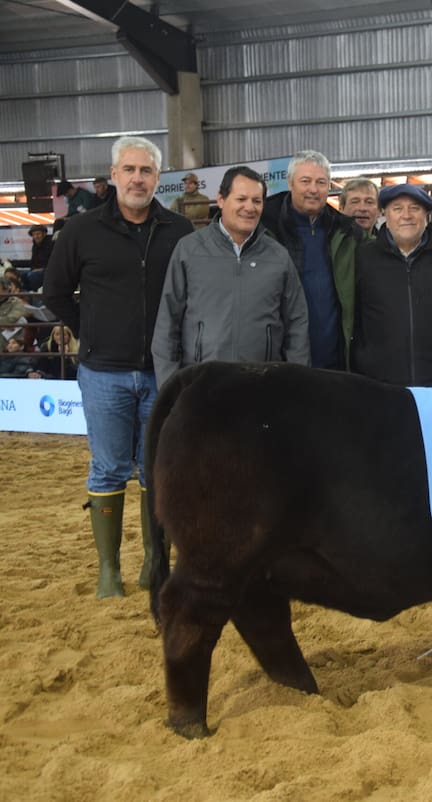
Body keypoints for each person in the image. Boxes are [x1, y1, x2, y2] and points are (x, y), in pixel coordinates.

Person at [42, 136, 194, 598]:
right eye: (129, 170)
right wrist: (91, 333)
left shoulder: (180, 231)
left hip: (163, 374)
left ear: (157, 178)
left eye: (146, 171)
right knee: (108, 469)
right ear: (113, 176)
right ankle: (109, 569)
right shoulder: (81, 231)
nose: (137, 178)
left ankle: (154, 561)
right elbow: (53, 294)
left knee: (157, 470)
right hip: (102, 373)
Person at [153, 165, 310, 386]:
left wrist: (295, 383)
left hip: (262, 387)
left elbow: (296, 323)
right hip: (202, 388)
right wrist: (170, 387)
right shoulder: (189, 250)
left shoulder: (278, 256)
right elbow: (167, 323)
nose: (250, 207)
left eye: (257, 201)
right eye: (241, 199)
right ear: (221, 199)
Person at [263, 150, 362, 371]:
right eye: (305, 181)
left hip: (334, 360)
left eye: (321, 182)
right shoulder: (264, 227)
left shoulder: (345, 230)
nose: (313, 190)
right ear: (290, 183)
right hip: (281, 361)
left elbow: (384, 244)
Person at [352, 184, 432, 387]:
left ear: (427, 215)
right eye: (397, 208)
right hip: (379, 384)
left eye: (415, 208)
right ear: (385, 215)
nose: (406, 215)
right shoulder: (363, 257)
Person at [26, 224, 53, 291]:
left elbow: (55, 262)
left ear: (44, 234)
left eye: (38, 234)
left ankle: (37, 296)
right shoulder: (35, 246)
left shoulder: (51, 244)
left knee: (32, 275)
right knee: (22, 275)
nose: (35, 237)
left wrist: (42, 269)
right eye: (34, 235)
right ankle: (28, 295)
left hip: (50, 271)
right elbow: (33, 262)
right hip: (37, 271)